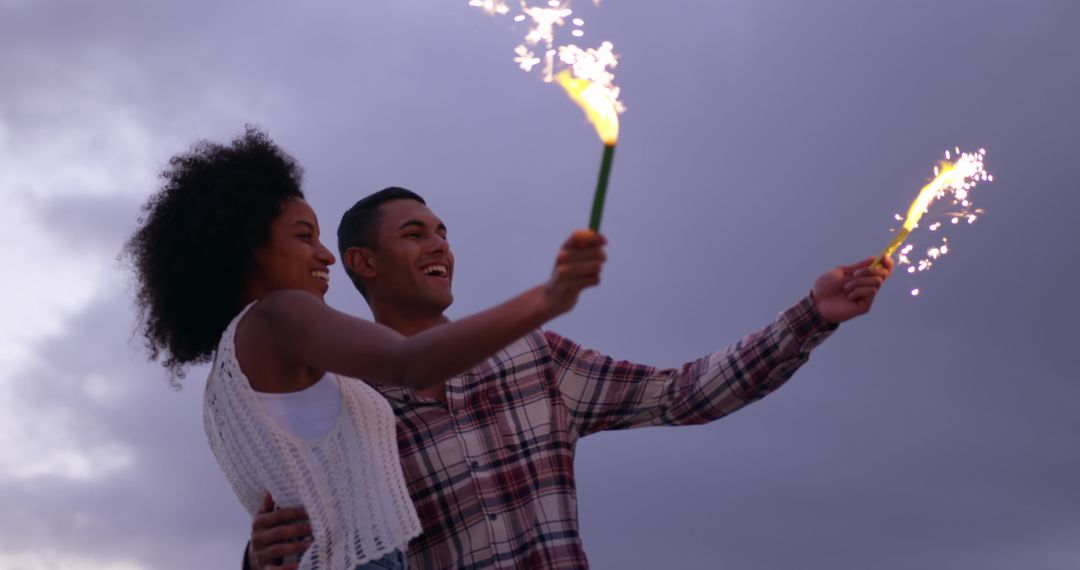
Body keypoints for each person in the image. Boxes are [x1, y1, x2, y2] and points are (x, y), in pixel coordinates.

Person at [244, 186, 894, 569]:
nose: (440, 245)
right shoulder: (340, 406)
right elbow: (319, 549)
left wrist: (810, 317)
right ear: (365, 263)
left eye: (443, 232)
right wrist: (258, 561)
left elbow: (683, 393)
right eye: (415, 235)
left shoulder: (535, 359)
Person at [123, 129, 607, 570]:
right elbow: (409, 362)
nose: (325, 253)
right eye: (303, 236)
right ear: (247, 247)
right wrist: (548, 297)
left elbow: (287, 516)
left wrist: (254, 560)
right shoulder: (281, 313)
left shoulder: (229, 380)